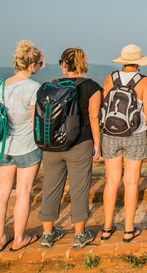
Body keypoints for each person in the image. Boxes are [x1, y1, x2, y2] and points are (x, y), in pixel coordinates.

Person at [38, 48, 102, 249]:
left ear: (63, 65)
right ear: (83, 64)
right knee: (79, 188)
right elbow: (94, 117)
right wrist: (97, 144)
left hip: (50, 145)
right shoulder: (91, 87)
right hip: (79, 144)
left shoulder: (48, 86)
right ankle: (79, 234)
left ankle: (48, 234)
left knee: (50, 188)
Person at [0, 41, 44, 252]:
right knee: (23, 191)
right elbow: (36, 121)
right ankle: (19, 238)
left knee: (2, 193)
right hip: (27, 146)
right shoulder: (33, 88)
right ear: (31, 65)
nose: (39, 67)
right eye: (39, 63)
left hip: (3, 145)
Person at [101, 44, 147, 243]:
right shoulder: (143, 82)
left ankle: (106, 228)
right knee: (131, 182)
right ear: (138, 63)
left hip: (110, 134)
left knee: (112, 181)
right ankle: (129, 229)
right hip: (135, 134)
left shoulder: (110, 79)